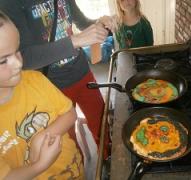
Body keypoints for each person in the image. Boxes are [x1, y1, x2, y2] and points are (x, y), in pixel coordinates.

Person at [0, 0, 115, 149]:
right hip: (51, 85)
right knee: (67, 140)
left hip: (82, 72)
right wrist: (75, 41)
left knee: (102, 125)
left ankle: (107, 160)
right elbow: (25, 57)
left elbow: (82, 22)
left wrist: (101, 24)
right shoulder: (10, 4)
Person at [0, 11, 84, 179]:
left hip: (75, 170)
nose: (18, 63)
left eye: (17, 51)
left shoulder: (35, 80)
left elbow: (70, 113)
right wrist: (40, 166)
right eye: (3, 60)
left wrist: (43, 136)